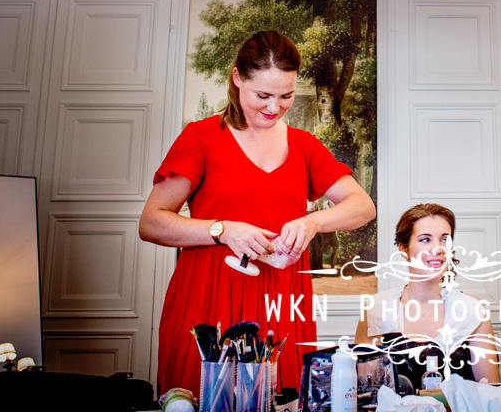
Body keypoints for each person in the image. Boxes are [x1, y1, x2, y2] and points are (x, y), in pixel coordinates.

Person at [140, 31, 376, 394]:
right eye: (262, 95)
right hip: (208, 297)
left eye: (286, 96)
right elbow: (152, 221)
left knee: (282, 398)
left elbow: (362, 206)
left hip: (281, 301)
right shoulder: (201, 137)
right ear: (237, 79)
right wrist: (222, 230)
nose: (274, 107)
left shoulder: (304, 146)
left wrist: (312, 221)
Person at [354, 203, 501, 385]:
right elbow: (365, 391)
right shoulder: (375, 310)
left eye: (444, 239)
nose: (438, 248)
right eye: (425, 239)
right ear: (403, 248)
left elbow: (491, 393)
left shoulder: (473, 310)